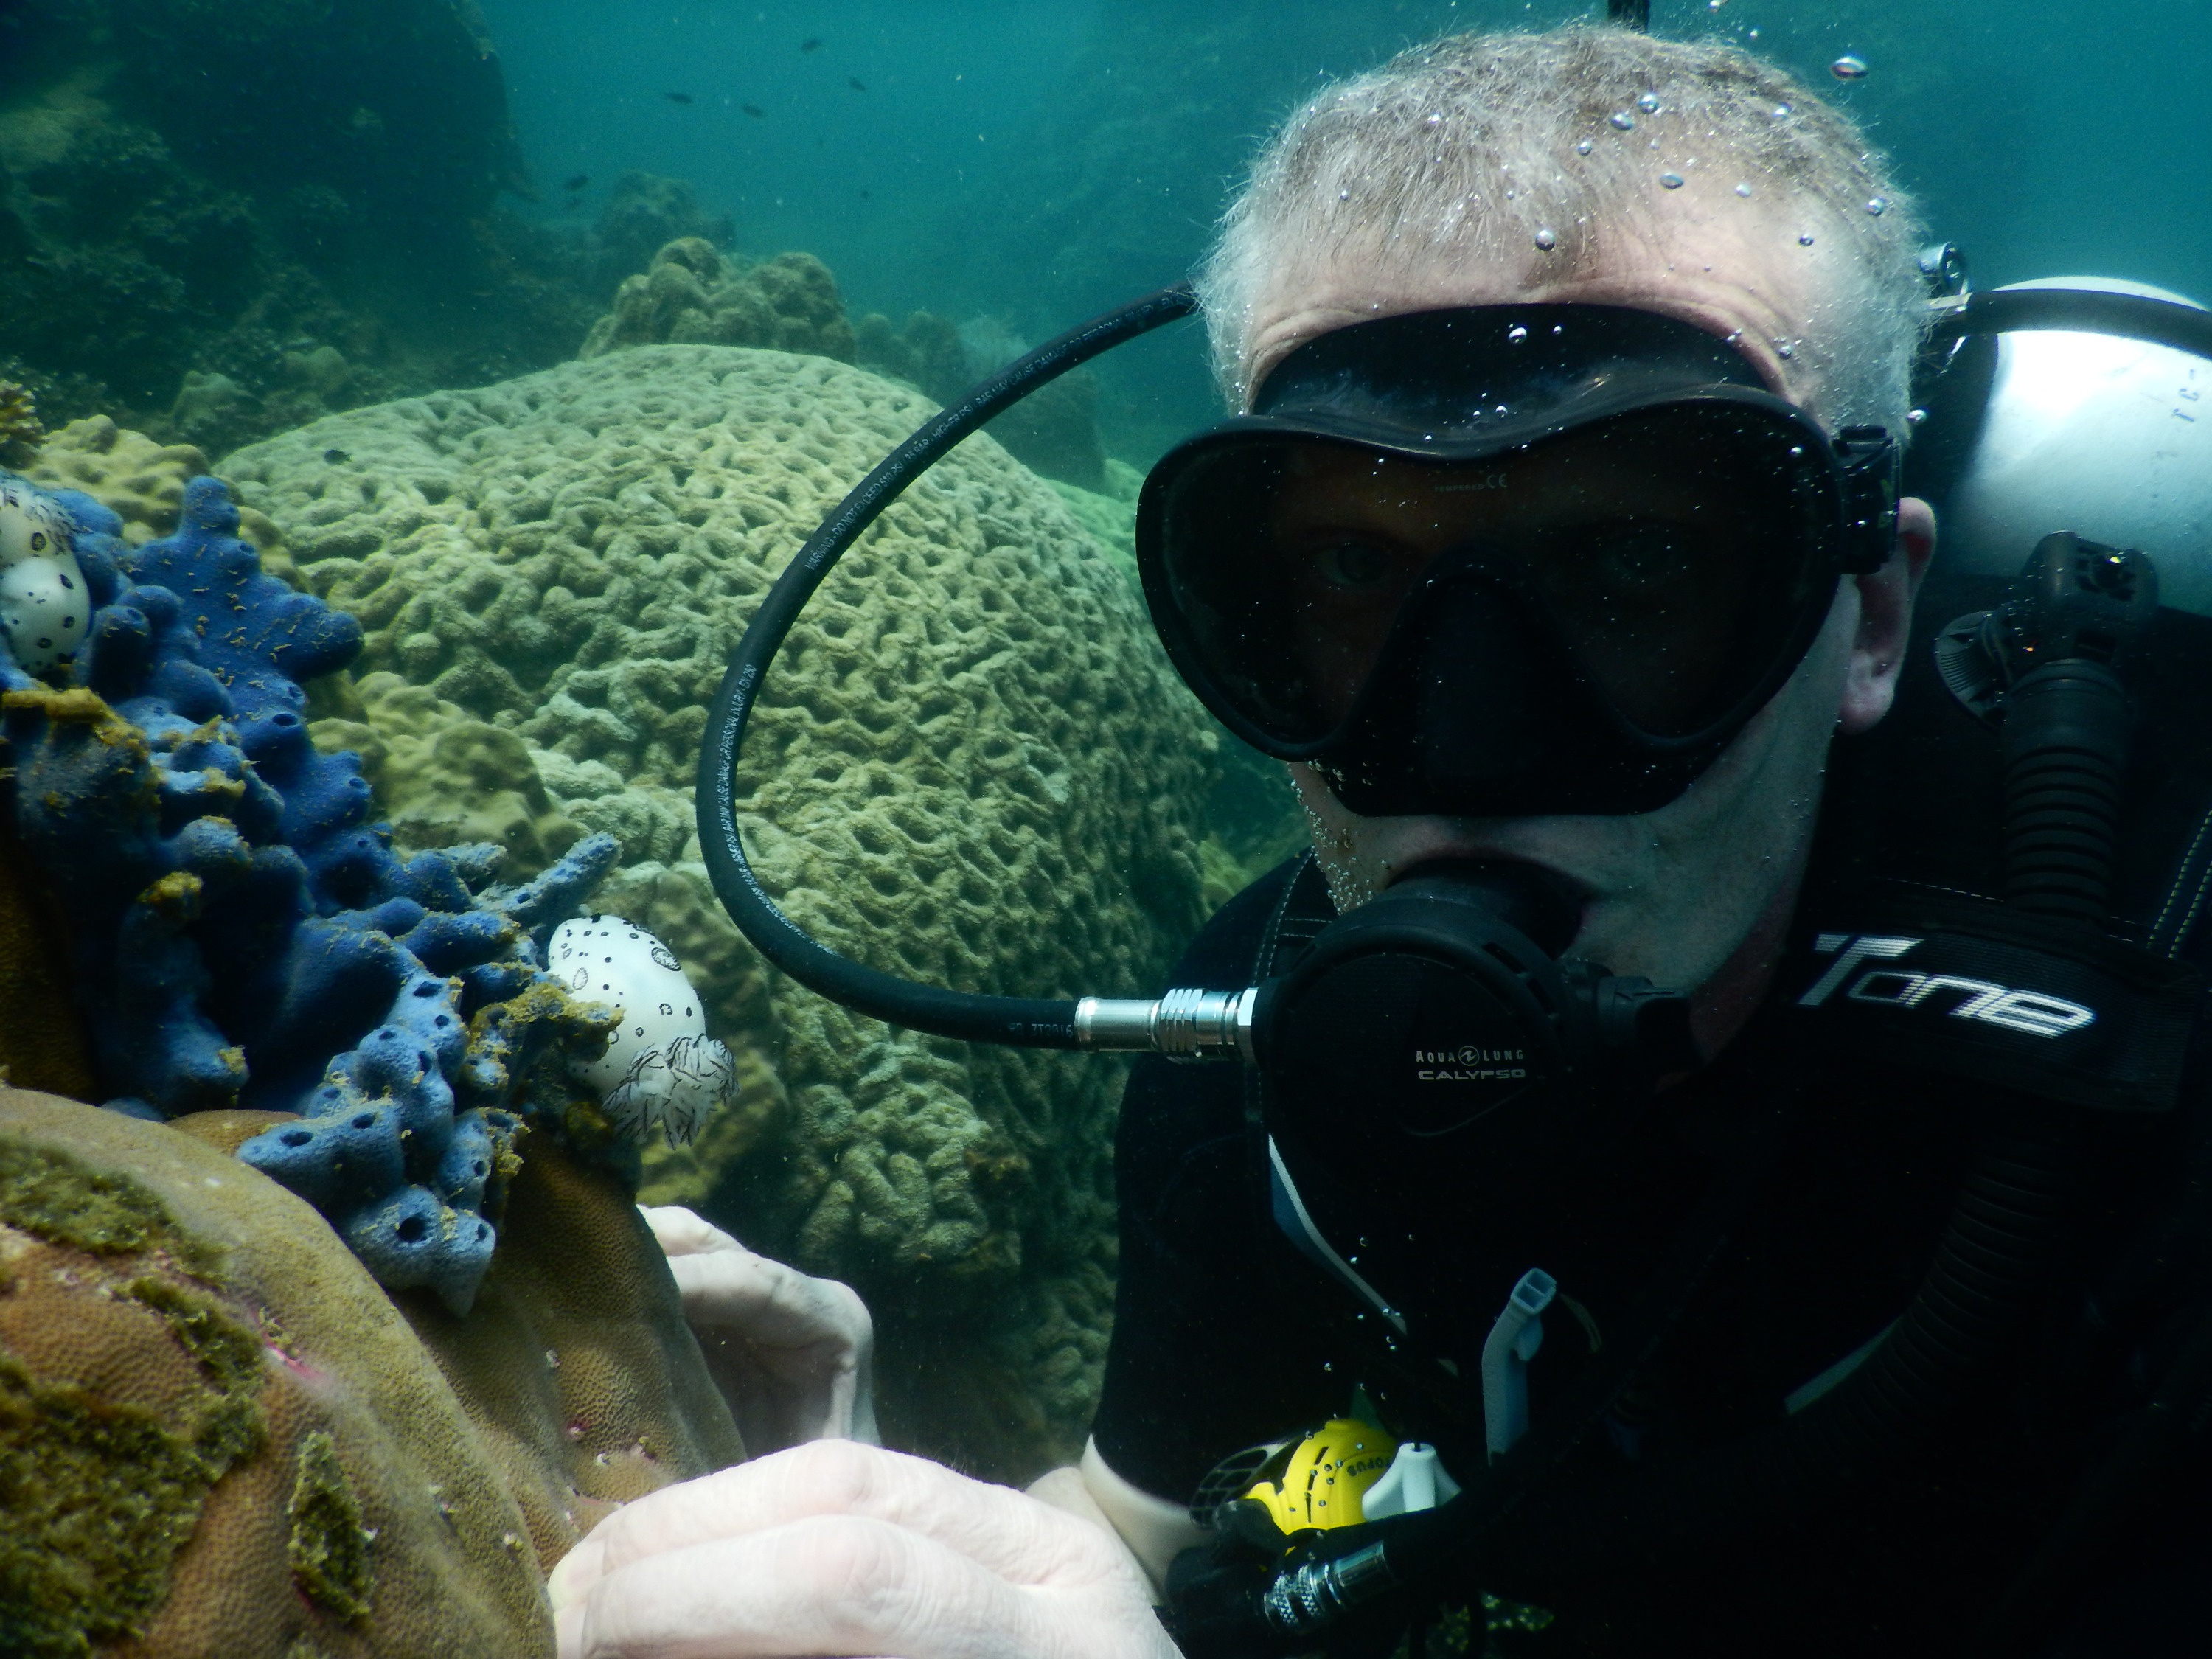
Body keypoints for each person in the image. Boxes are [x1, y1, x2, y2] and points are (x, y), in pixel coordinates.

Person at [550, 25, 2212, 1658]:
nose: (1469, 760)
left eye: (1637, 570)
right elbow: (1135, 1537)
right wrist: (872, 1511)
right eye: (1351, 573)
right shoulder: (1251, 1066)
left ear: (1868, 616)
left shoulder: (2162, 1039)